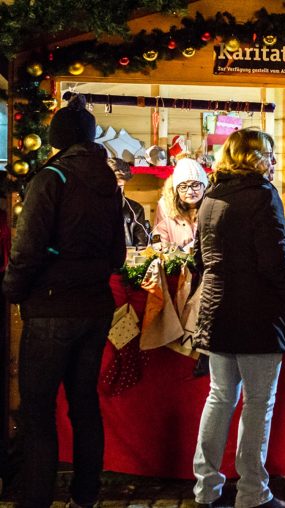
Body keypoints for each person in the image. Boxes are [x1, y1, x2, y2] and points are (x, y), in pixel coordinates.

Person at [2, 94, 125, 508]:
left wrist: (13, 290)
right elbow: (119, 255)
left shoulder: (51, 178)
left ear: (58, 138)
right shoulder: (107, 182)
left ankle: (35, 499)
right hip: (95, 307)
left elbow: (26, 248)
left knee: (38, 411)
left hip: (52, 308)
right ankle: (85, 496)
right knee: (84, 403)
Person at [191, 127, 285, 508]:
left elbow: (201, 260)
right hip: (257, 313)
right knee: (257, 403)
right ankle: (253, 493)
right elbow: (275, 261)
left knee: (219, 397)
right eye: (269, 154)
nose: (273, 162)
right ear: (253, 158)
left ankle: (206, 490)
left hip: (217, 311)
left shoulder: (212, 194)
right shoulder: (262, 195)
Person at [153, 157, 208, 250]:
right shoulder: (165, 205)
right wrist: (158, 247)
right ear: (176, 189)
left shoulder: (213, 204)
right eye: (183, 186)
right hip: (175, 260)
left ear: (204, 185)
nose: (190, 191)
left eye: (195, 185)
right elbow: (158, 235)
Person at [107, 157, 150, 248]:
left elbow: (141, 247)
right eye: (112, 186)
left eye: (120, 186)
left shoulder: (136, 209)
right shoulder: (91, 207)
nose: (116, 191)